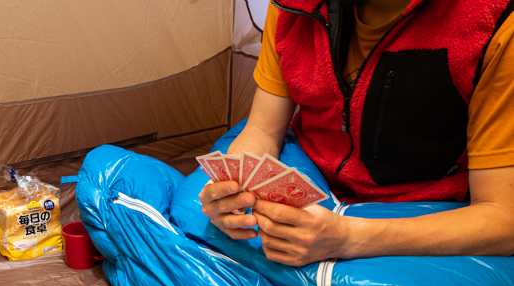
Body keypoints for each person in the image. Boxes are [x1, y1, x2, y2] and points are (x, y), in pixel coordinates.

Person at [200, 0, 514, 267]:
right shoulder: (292, 7)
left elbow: (504, 218)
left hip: (417, 209)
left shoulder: (494, 21)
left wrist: (347, 238)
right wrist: (232, 195)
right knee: (191, 210)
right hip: (313, 176)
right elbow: (262, 129)